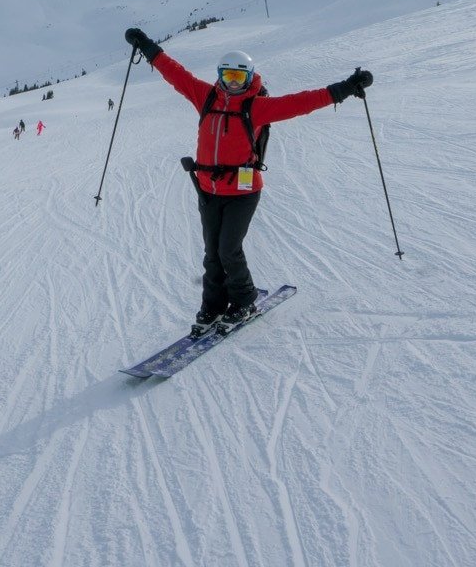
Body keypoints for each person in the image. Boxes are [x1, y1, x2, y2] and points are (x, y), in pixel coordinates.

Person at [124, 28, 372, 337]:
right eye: (227, 76)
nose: (232, 83)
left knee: (229, 249)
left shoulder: (256, 107)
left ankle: (244, 300)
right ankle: (212, 305)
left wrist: (345, 88)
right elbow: (176, 74)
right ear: (220, 75)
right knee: (211, 253)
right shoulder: (205, 96)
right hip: (207, 190)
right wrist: (146, 46)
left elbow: (301, 102)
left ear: (249, 78)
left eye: (239, 78)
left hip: (243, 192)